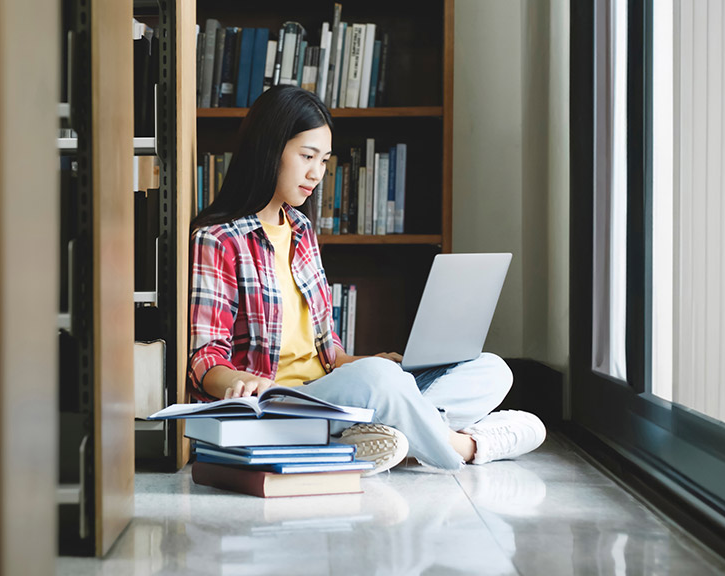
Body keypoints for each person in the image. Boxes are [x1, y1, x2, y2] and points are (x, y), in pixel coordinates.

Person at [188, 85, 545, 475]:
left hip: (334, 394)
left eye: (324, 160)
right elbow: (205, 359)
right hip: (283, 404)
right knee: (383, 380)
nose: (316, 173)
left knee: (491, 369)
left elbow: (329, 354)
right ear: (268, 149)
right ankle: (463, 445)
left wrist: (364, 363)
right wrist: (242, 382)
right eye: (307, 156)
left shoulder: (301, 229)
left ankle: (386, 432)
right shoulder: (219, 238)